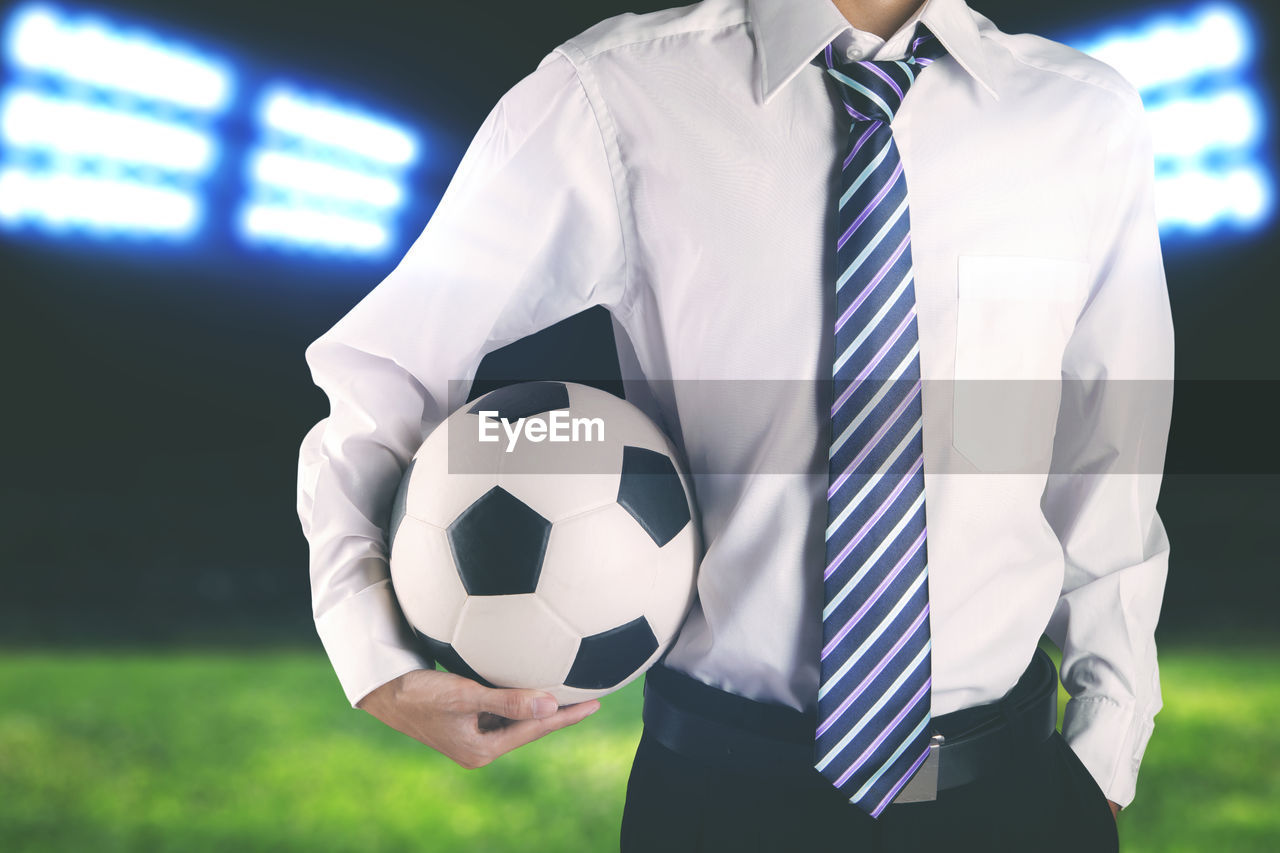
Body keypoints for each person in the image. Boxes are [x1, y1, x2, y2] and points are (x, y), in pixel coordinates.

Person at [295, 0, 1173, 849]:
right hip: (726, 798)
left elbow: (1111, 463)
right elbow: (385, 366)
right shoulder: (618, 93)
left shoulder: (1082, 119)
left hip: (1009, 798)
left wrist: (1104, 754)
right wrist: (374, 655)